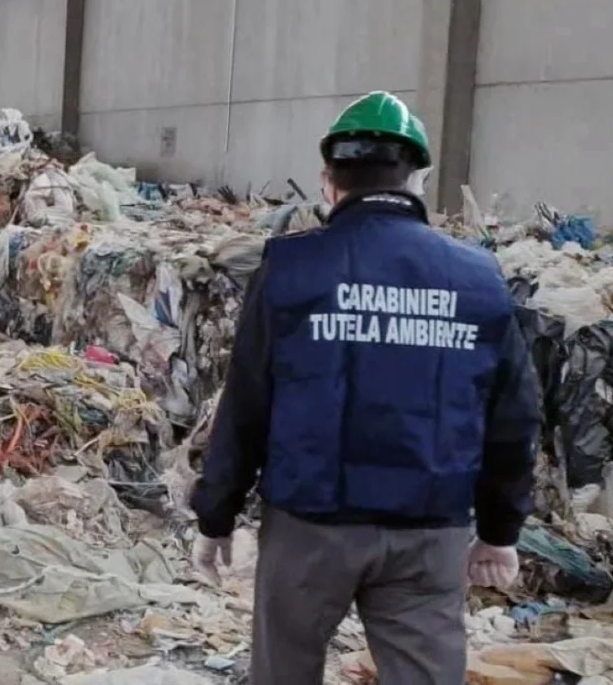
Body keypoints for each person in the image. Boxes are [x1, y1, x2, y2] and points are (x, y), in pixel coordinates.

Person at [189, 91, 542, 684]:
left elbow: (247, 404)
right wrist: (501, 531)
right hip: (430, 531)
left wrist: (215, 514)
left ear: (328, 181)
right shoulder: (478, 276)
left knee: (285, 672)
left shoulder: (291, 268)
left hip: (308, 528)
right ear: (417, 179)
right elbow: (513, 417)